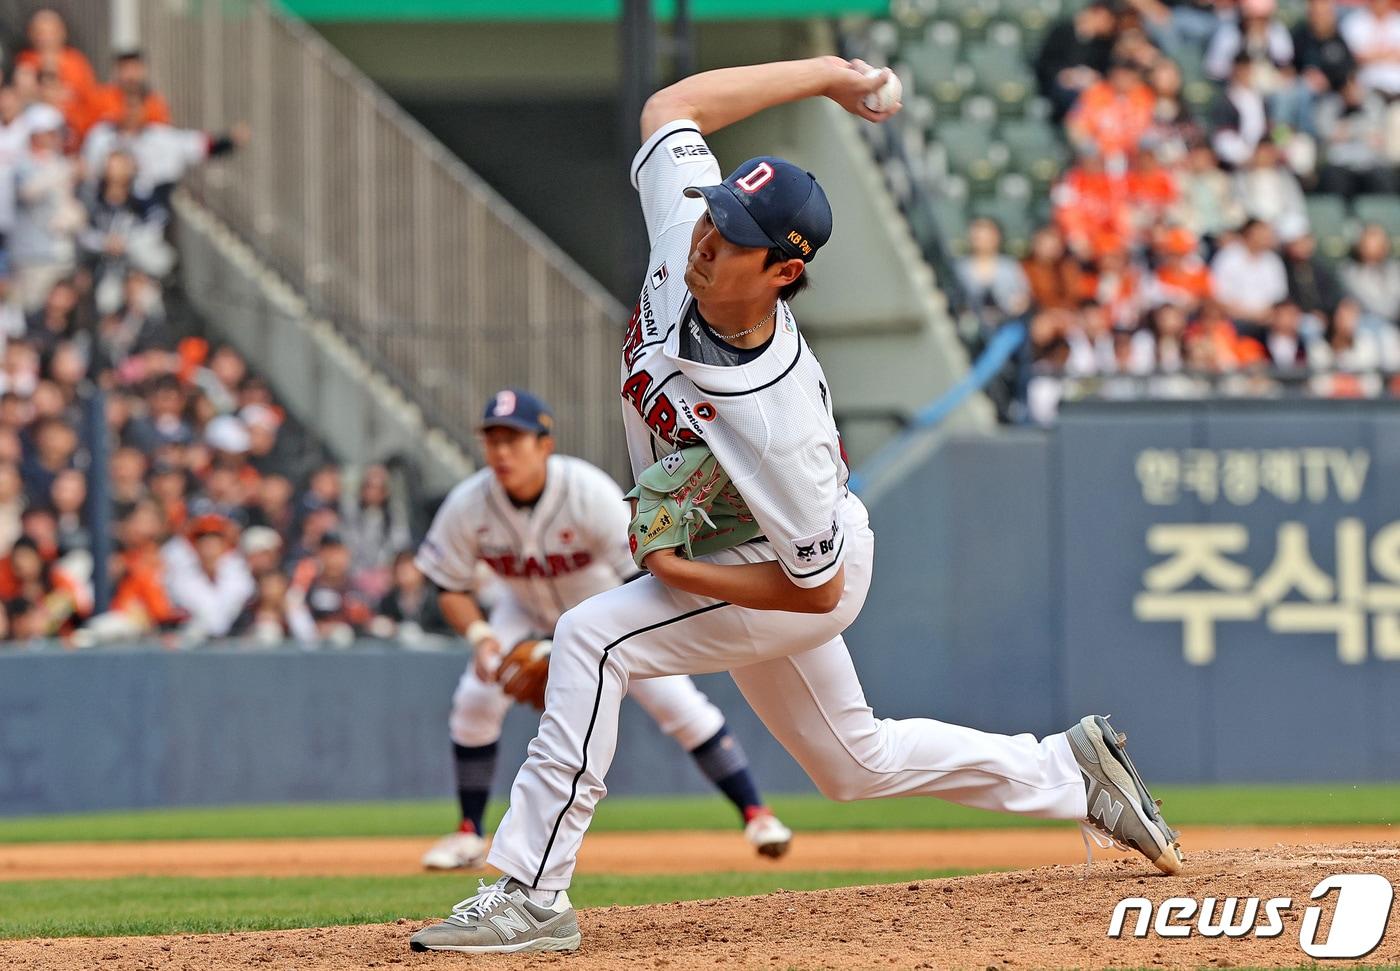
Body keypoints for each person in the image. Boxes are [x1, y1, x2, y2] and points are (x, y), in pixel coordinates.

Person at [409, 56, 1182, 955]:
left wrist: (670, 568)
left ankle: (534, 891)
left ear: (784, 268)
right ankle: (1068, 770)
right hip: (746, 551)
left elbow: (814, 595)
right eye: (714, 212)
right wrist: (827, 76)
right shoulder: (686, 232)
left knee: (592, 634)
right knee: (856, 763)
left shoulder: (775, 423)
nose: (706, 235)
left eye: (733, 234)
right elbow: (673, 105)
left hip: (793, 567)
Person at [413, 388, 793, 872]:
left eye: (515, 440)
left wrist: (606, 644)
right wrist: (482, 640)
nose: (502, 452)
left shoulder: (586, 491)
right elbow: (449, 584)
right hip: (520, 610)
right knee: (476, 696)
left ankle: (756, 814)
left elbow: (641, 572)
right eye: (493, 440)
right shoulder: (469, 503)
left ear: (544, 444)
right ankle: (468, 832)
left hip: (598, 606)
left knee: (676, 703)